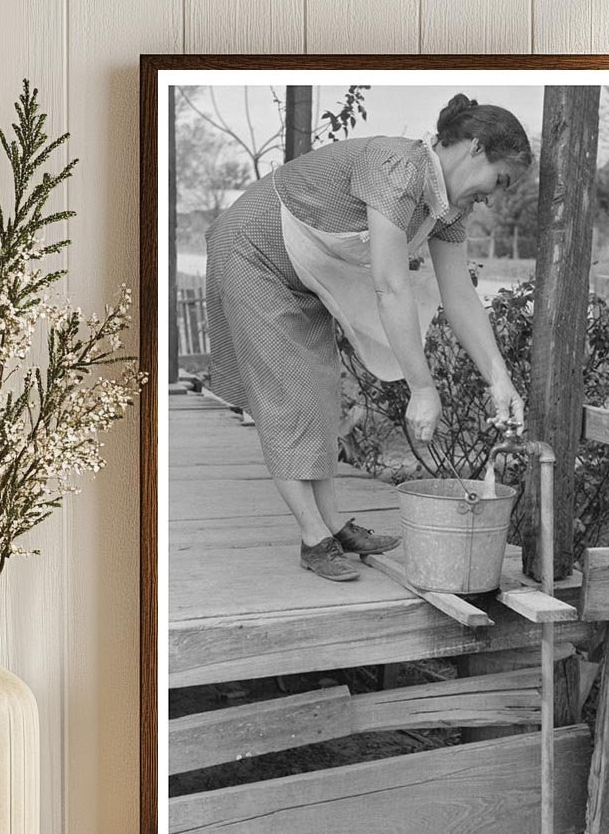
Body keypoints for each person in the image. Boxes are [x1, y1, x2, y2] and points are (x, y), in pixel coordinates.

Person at [205, 93, 531, 582]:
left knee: (319, 391)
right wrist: (423, 389)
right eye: (499, 181)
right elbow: (390, 285)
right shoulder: (398, 168)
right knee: (286, 395)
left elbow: (459, 295)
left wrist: (499, 379)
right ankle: (314, 538)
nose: (492, 197)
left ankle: (333, 526)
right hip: (251, 249)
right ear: (476, 148)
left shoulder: (446, 209)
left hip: (301, 271)